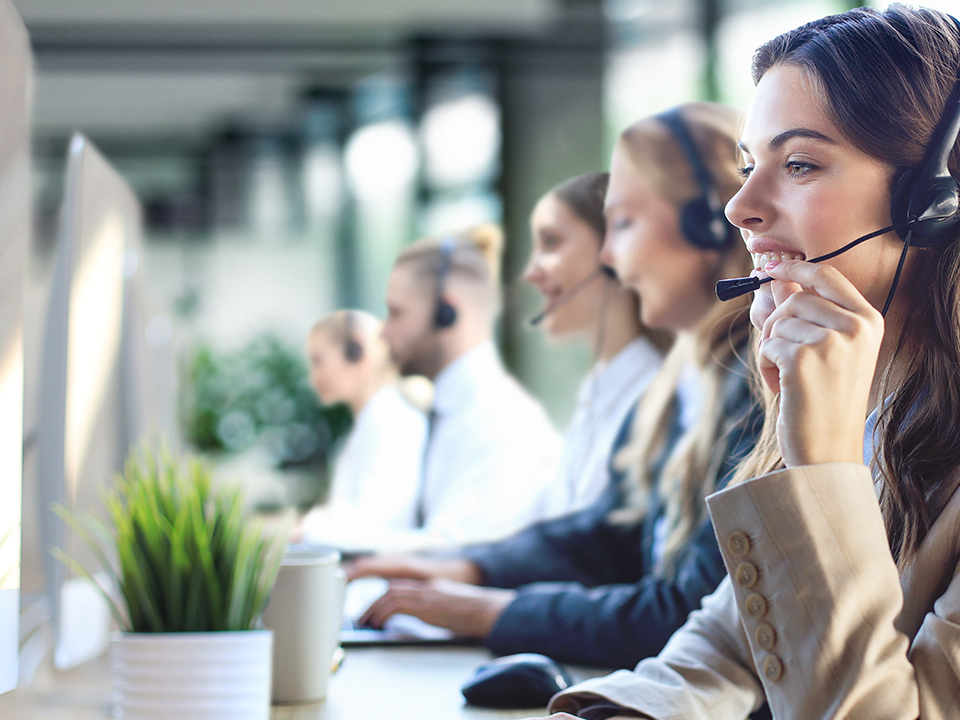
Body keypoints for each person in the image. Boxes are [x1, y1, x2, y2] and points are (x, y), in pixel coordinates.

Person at [542, 6, 960, 720]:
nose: (740, 208)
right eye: (748, 167)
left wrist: (820, 469)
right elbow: (727, 646)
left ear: (933, 202)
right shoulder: (878, 404)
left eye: (798, 164)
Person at [347, 102, 765, 670]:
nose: (610, 256)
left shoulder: (760, 385)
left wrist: (493, 612)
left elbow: (688, 612)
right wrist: (472, 570)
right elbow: (617, 533)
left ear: (709, 225)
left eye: (624, 223)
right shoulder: (693, 382)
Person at [379, 224, 562, 549]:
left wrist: (314, 539)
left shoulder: (501, 423)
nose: (383, 332)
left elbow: (449, 555)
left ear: (445, 313)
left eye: (396, 312)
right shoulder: (449, 411)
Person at [525, 172, 667, 512]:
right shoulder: (597, 389)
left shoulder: (656, 398)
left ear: (613, 254)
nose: (531, 272)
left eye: (551, 242)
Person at [294, 310, 427, 550]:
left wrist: (304, 532)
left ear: (357, 352)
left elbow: (371, 526)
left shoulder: (396, 423)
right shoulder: (368, 425)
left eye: (318, 361)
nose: (313, 377)